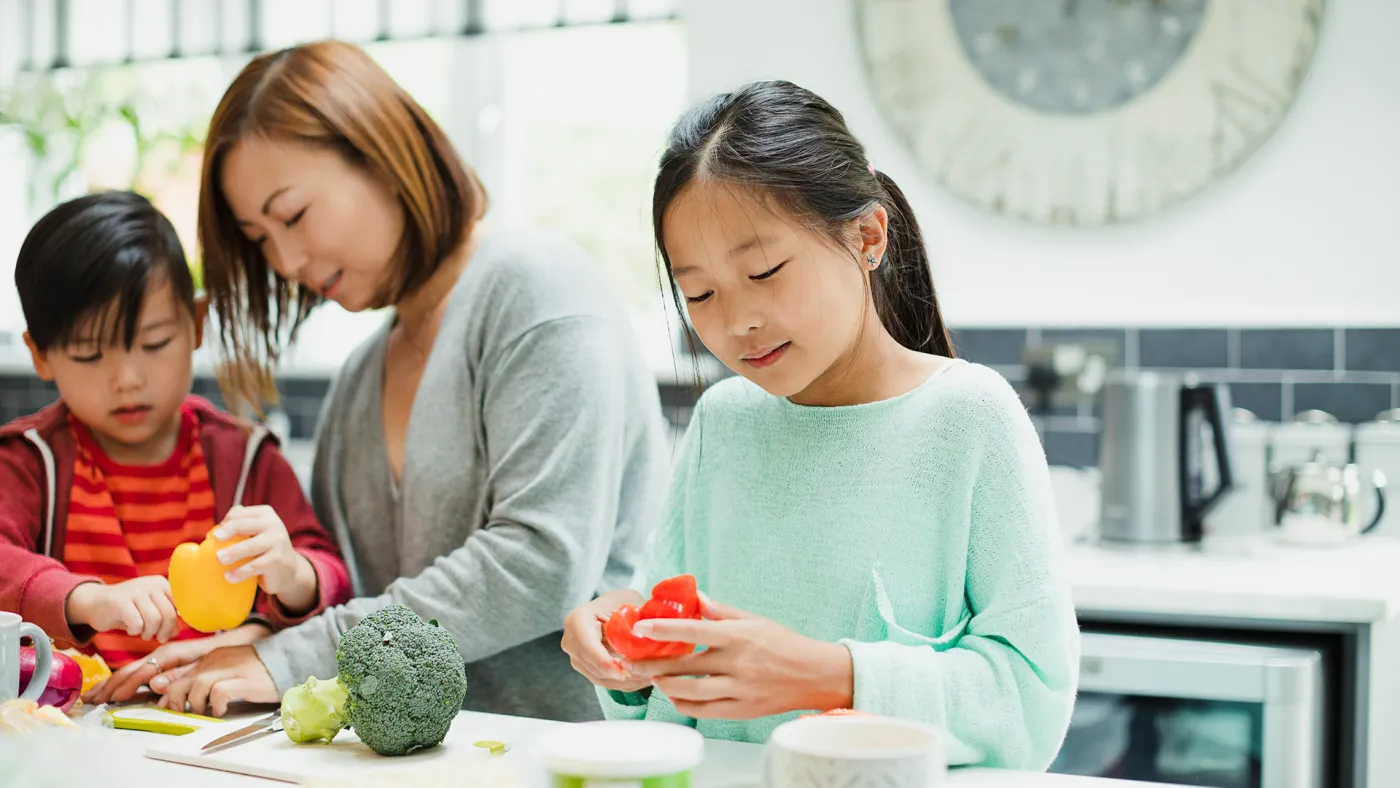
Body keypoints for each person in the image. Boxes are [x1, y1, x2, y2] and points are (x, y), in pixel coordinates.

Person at [132, 40, 668, 721]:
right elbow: (352, 597)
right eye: (260, 238)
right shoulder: (360, 377)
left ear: (382, 157)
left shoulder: (538, 290)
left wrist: (291, 659)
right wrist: (260, 638)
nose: (288, 259)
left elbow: (540, 566)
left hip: (563, 756)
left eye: (293, 215)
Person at [561, 80, 1080, 769]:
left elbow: (1029, 700)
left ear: (867, 235)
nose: (737, 321)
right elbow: (675, 680)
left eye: (766, 271)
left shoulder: (969, 418)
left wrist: (829, 675)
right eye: (701, 294)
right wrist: (622, 641)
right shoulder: (725, 422)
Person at [0, 191, 351, 682]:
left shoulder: (245, 457)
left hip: (217, 722)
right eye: (88, 354)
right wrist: (87, 599)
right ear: (40, 354)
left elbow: (333, 577)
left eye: (154, 343)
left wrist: (293, 573)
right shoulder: (29, 461)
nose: (127, 378)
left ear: (197, 325)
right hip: (69, 731)